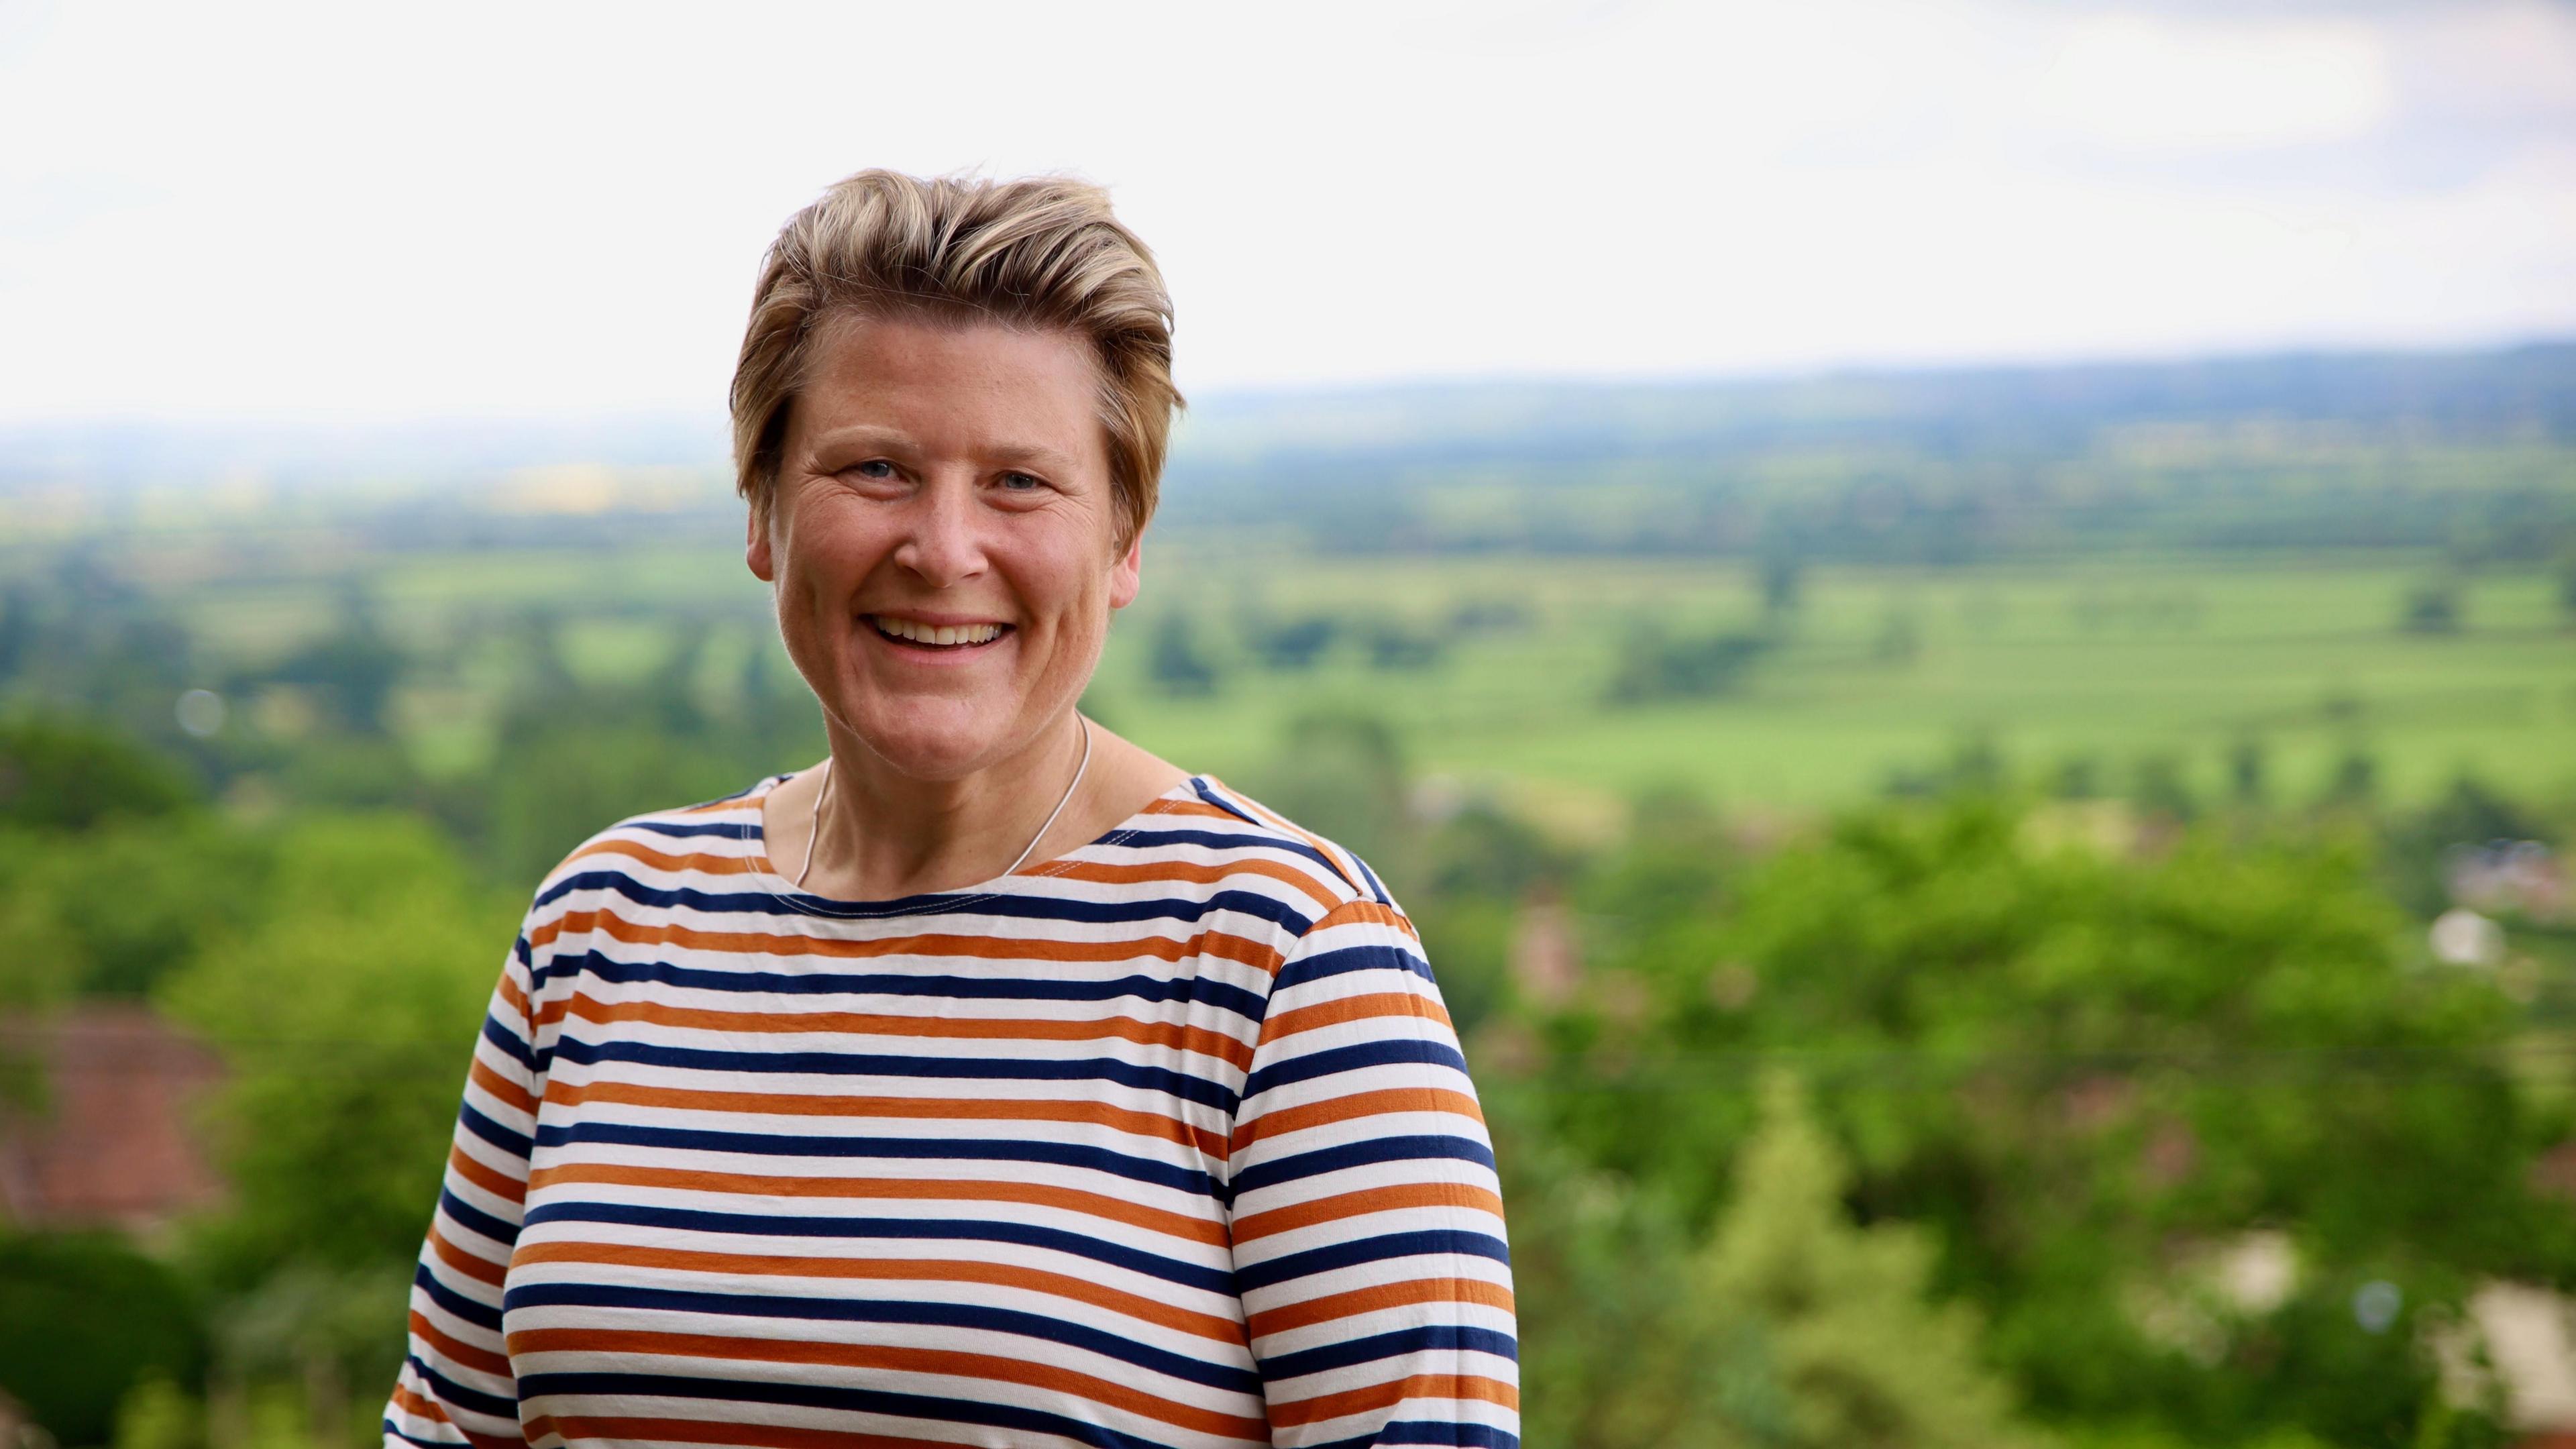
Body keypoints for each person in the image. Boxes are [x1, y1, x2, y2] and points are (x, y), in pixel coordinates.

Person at [380, 170, 1518, 1449]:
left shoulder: (1285, 964)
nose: (943, 547)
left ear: (1125, 542)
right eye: (877, 468)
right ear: (761, 508)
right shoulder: (604, 925)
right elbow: (447, 1431)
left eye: (1021, 483)